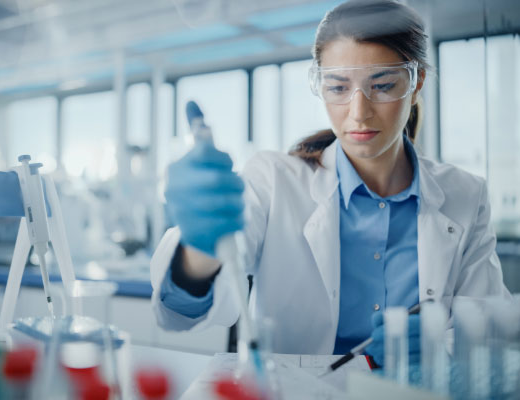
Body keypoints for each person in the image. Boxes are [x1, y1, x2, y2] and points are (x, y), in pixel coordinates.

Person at [150, 0, 510, 366]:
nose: (359, 112)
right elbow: (186, 307)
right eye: (338, 88)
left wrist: (442, 347)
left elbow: (489, 327)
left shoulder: (466, 194)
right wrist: (199, 248)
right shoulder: (273, 182)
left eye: (383, 85)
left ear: (416, 83)